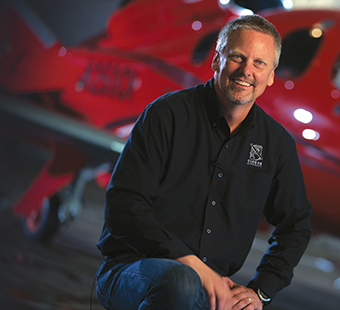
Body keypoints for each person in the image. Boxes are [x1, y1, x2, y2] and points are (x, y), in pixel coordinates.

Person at [95, 14, 312, 310]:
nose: (247, 71)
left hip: (214, 289)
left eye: (259, 63)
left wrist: (260, 292)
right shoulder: (166, 115)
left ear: (271, 75)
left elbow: (296, 224)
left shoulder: (277, 144)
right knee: (182, 283)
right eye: (237, 57)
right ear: (216, 60)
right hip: (133, 269)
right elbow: (124, 203)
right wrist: (191, 265)